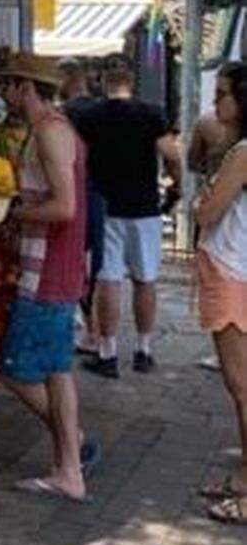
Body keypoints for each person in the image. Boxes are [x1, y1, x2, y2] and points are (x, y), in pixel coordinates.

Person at [0, 53, 92, 501]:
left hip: (47, 271)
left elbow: (65, 207)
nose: (4, 93)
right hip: (58, 269)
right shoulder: (52, 128)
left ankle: (73, 450)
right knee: (57, 371)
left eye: (9, 85)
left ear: (27, 88)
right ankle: (70, 467)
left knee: (15, 370)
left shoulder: (51, 133)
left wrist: (17, 215)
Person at [76, 60, 178, 377]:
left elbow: (77, 159)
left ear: (104, 83)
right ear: (131, 84)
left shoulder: (90, 117)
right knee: (145, 279)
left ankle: (107, 353)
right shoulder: (152, 115)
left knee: (109, 280)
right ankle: (144, 350)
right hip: (145, 209)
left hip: (106, 208)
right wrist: (176, 189)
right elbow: (172, 155)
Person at [193, 62, 247, 526]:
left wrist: (199, 202)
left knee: (241, 384)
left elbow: (208, 210)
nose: (216, 103)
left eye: (223, 94)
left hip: (232, 269)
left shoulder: (244, 152)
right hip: (235, 267)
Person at [60, 61, 104, 358]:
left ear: (67, 79)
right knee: (95, 262)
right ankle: (96, 331)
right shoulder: (101, 109)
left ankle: (91, 330)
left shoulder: (67, 115)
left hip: (79, 192)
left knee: (79, 260)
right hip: (101, 194)